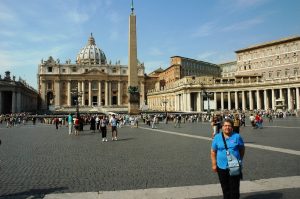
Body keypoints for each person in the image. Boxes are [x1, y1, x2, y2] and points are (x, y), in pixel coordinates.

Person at [211, 119, 245, 199]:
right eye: (225, 126)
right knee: (225, 187)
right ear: (222, 127)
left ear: (232, 127)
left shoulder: (237, 136)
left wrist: (239, 160)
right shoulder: (217, 137)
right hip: (221, 166)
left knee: (235, 188)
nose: (227, 127)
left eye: (229, 126)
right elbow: (213, 151)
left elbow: (242, 149)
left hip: (234, 166)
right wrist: (214, 164)